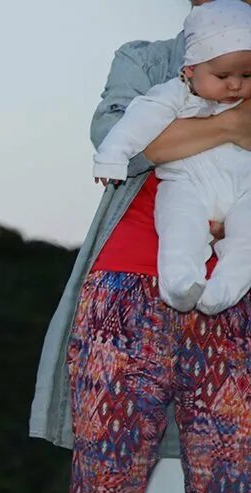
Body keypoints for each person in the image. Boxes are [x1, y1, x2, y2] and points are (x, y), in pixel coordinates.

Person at [30, 0, 251, 493]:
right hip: (124, 290)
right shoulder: (143, 57)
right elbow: (113, 143)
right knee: (104, 486)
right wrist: (227, 126)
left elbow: (157, 145)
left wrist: (184, 143)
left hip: (232, 303)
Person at [93, 0, 251, 315]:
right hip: (137, 266)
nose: (235, 85)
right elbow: (116, 137)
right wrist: (232, 125)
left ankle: (223, 290)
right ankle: (181, 283)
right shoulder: (150, 65)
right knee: (182, 226)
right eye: (222, 76)